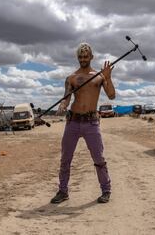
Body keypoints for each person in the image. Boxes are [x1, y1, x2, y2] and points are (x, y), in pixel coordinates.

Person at [50, 43, 115, 204]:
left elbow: (112, 96)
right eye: (80, 56)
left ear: (91, 57)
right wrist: (63, 105)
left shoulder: (99, 76)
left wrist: (108, 77)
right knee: (65, 159)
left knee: (99, 158)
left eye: (86, 56)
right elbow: (67, 97)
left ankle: (106, 190)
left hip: (91, 122)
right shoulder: (71, 78)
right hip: (73, 122)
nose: (83, 59)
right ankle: (63, 191)